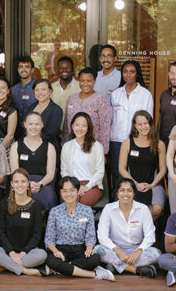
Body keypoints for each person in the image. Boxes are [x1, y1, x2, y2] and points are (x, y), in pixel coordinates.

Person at [44, 177, 114, 280]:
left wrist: (89, 248)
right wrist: (55, 251)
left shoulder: (86, 210)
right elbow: (49, 238)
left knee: (95, 258)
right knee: (51, 260)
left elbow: (90, 236)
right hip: (61, 250)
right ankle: (95, 274)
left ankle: (62, 268)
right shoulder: (55, 211)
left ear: (78, 191)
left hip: (81, 250)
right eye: (64, 191)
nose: (68, 194)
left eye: (72, 190)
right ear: (60, 193)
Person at [95, 178, 160, 277]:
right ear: (117, 193)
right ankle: (135, 270)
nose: (126, 194)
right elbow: (102, 235)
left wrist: (138, 251)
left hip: (137, 250)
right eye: (122, 190)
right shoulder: (108, 209)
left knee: (156, 254)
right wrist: (118, 251)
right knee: (98, 250)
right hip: (115, 251)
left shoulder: (143, 209)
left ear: (134, 194)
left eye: (129, 191)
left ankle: (116, 266)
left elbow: (150, 235)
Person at [0, 170, 47, 276]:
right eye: (16, 182)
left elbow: (37, 235)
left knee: (42, 255)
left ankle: (5, 266)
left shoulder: (36, 205)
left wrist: (23, 253)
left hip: (28, 253)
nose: (20, 185)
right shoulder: (4, 204)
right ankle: (24, 270)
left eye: (23, 181)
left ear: (28, 184)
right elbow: (1, 232)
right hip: (7, 252)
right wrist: (12, 253)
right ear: (12, 184)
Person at [107, 60, 154, 190]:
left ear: (137, 74)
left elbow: (148, 121)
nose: (128, 75)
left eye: (132, 72)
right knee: (118, 176)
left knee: (136, 176)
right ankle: (118, 205)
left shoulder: (145, 94)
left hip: (137, 141)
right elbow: (111, 119)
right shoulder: (115, 94)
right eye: (125, 72)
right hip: (117, 141)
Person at [117, 110, 166, 219]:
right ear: (135, 125)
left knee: (156, 209)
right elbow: (121, 168)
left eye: (146, 123)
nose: (143, 127)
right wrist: (135, 184)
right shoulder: (127, 143)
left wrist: (152, 185)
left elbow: (163, 169)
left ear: (150, 124)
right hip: (132, 184)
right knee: (132, 210)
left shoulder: (159, 144)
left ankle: (147, 233)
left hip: (153, 184)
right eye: (140, 124)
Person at [9, 112, 58, 210]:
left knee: (46, 199)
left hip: (42, 183)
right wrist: (26, 184)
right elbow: (15, 172)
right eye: (30, 124)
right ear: (25, 124)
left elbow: (50, 175)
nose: (33, 127)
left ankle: (40, 223)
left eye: (37, 124)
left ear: (42, 125)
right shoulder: (16, 146)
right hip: (21, 183)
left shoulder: (49, 147)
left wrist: (39, 184)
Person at [60, 112, 106, 206]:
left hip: (93, 185)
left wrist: (87, 187)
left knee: (82, 203)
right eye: (77, 125)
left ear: (88, 128)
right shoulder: (67, 146)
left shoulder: (97, 146)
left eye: (84, 126)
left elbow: (100, 172)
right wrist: (73, 186)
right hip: (72, 185)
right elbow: (64, 171)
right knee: (72, 200)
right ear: (72, 126)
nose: (80, 129)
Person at [63, 68, 111, 153]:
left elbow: (105, 128)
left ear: (94, 81)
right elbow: (67, 125)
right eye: (82, 80)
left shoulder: (100, 100)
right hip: (73, 147)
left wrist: (103, 152)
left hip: (92, 148)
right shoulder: (71, 99)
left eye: (89, 81)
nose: (85, 84)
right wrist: (65, 144)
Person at [29, 78, 63, 146]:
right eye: (37, 90)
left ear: (50, 91)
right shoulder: (31, 107)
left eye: (43, 89)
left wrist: (32, 141)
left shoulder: (56, 110)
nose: (40, 93)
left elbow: (50, 134)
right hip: (30, 146)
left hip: (48, 148)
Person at [0, 77, 18, 150]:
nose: (0, 91)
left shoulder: (12, 111)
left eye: (3, 88)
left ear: (8, 91)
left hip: (5, 146)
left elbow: (10, 135)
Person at [11, 54, 36, 119]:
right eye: (21, 67)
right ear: (18, 70)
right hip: (16, 128)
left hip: (32, 128)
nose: (23, 69)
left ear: (32, 70)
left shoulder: (37, 88)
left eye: (27, 67)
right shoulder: (13, 90)